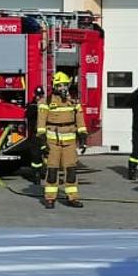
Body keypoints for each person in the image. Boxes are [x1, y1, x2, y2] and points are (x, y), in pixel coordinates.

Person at [37, 71, 87, 209]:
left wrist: (83, 136)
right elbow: (41, 124)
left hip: (70, 141)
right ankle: (50, 198)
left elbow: (80, 120)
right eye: (60, 85)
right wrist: (42, 142)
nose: (63, 88)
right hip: (53, 141)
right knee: (52, 171)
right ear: (54, 86)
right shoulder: (46, 102)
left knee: (71, 171)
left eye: (65, 85)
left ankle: (72, 198)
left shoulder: (73, 101)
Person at [21, 86, 46, 182]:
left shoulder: (45, 105)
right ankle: (36, 175)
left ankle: (44, 172)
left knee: (47, 154)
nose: (38, 97)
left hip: (45, 134)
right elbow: (28, 115)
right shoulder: (32, 106)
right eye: (37, 95)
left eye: (40, 95)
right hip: (35, 135)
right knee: (35, 155)